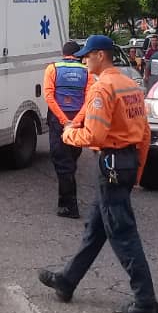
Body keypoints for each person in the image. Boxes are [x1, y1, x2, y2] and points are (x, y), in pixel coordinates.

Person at [37, 35, 158, 313]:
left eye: (87, 55)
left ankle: (145, 301)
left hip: (112, 163)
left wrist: (69, 134)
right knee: (96, 227)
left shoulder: (102, 88)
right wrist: (137, 174)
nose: (83, 60)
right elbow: (144, 134)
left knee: (123, 233)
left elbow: (94, 135)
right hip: (125, 163)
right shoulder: (131, 85)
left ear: (101, 56)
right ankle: (67, 280)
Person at [42, 40, 91, 218]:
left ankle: (70, 206)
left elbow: (49, 96)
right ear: (77, 54)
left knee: (63, 163)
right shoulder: (87, 71)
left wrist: (64, 121)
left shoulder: (52, 68)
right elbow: (89, 99)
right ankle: (64, 202)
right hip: (78, 120)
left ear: (63, 53)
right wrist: (75, 121)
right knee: (71, 159)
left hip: (58, 121)